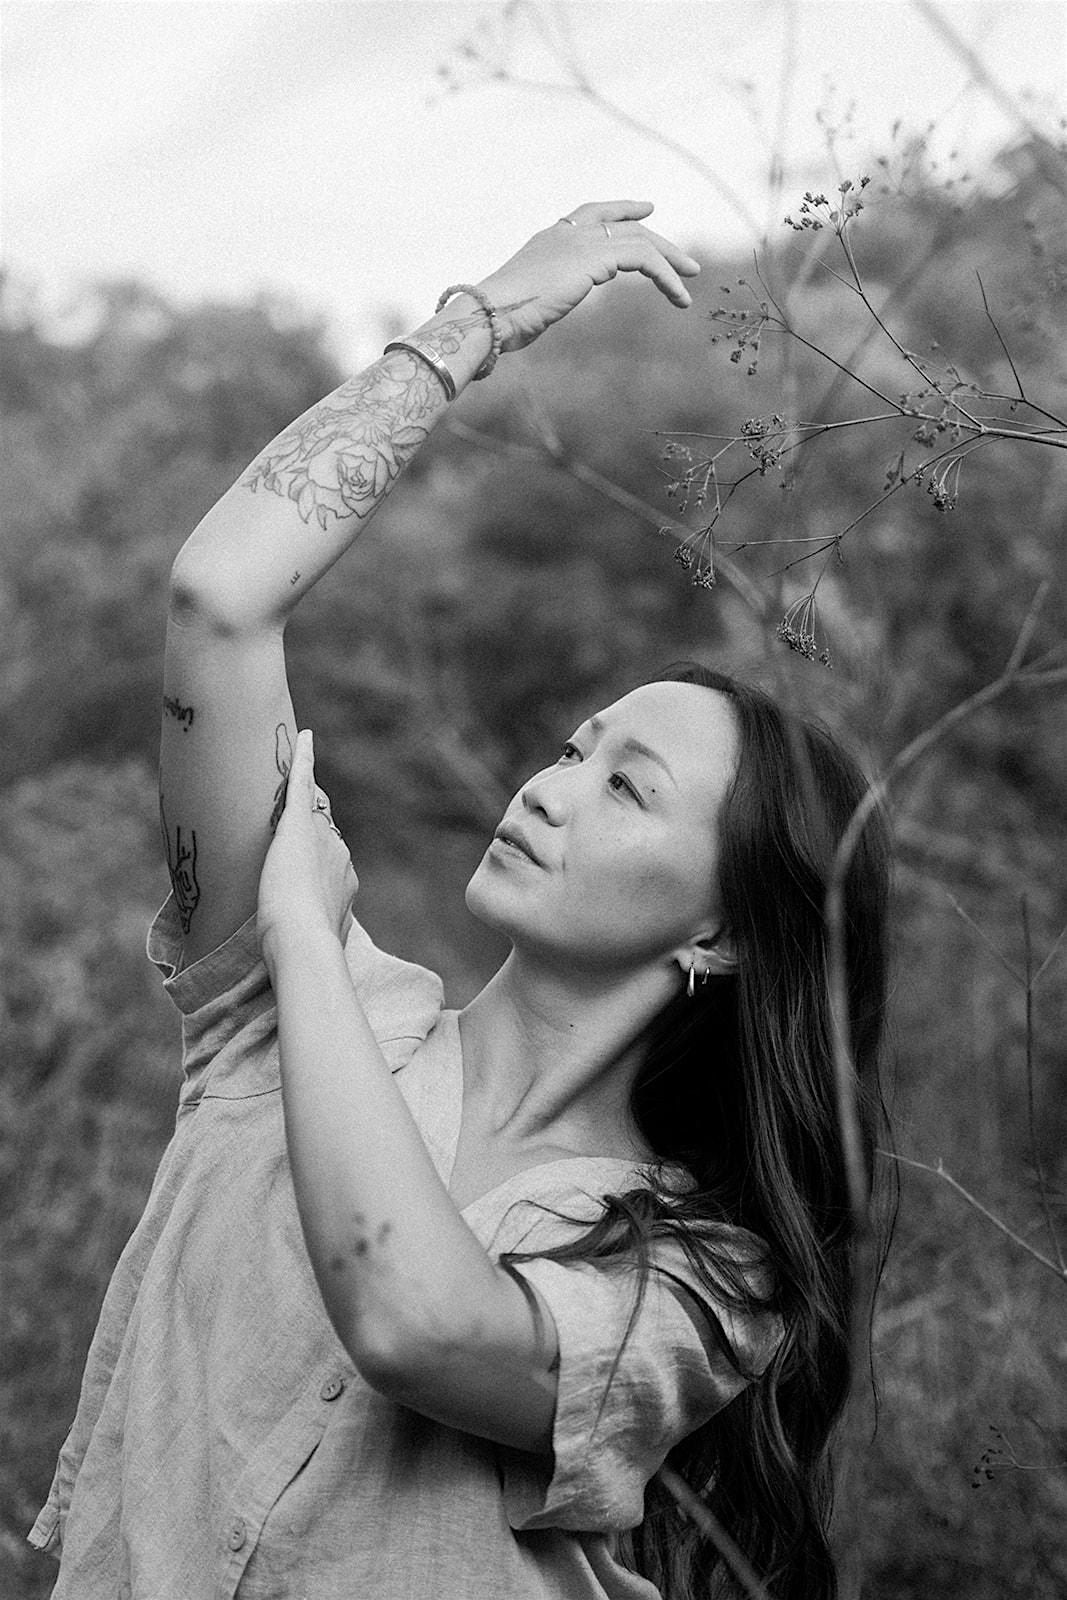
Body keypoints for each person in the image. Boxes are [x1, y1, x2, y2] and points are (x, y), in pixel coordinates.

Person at [30, 202, 891, 1600]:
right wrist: (473, 324)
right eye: (572, 749)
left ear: (724, 932)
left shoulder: (704, 1275)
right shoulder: (283, 1020)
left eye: (626, 788)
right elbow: (218, 597)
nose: (549, 786)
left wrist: (302, 936)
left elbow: (418, 1326)